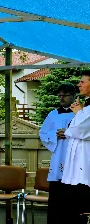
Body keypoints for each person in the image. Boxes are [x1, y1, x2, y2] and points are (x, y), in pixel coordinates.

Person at [39, 83, 75, 224]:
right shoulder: (53, 114)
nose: (61, 98)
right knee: (56, 199)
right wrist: (55, 135)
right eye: (59, 95)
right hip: (59, 156)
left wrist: (69, 134)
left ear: (73, 96)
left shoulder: (80, 113)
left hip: (74, 157)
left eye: (65, 95)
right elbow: (42, 133)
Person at [61, 70, 90, 223]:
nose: (79, 84)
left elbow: (83, 130)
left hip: (86, 162)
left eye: (82, 82)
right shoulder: (85, 107)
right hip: (77, 162)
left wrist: (78, 113)